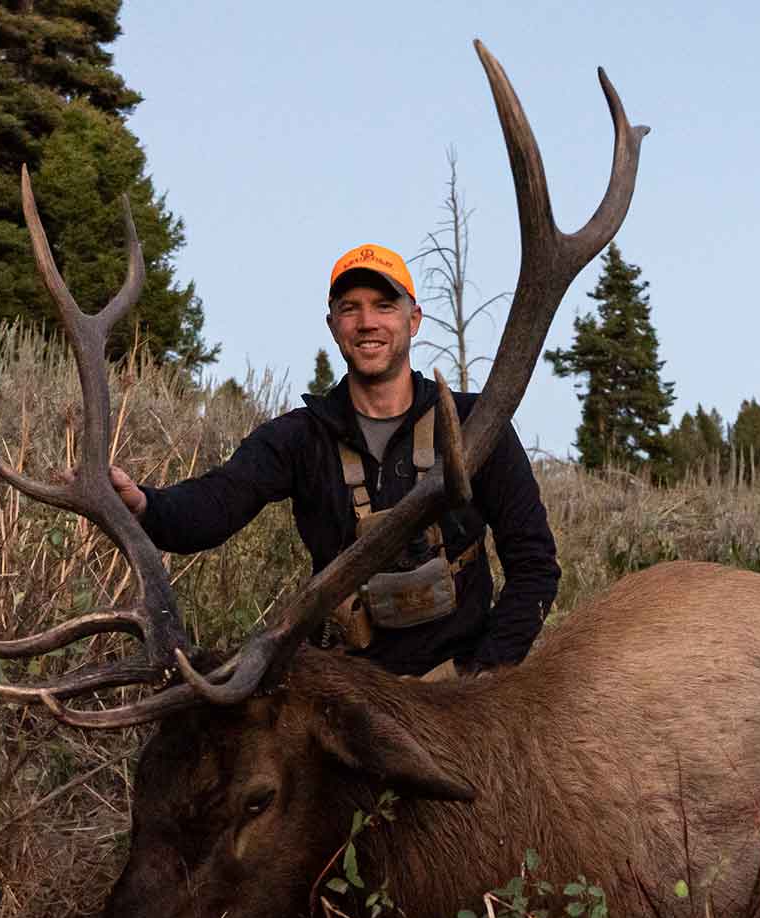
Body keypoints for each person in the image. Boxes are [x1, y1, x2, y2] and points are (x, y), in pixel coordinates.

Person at [107, 243, 560, 678]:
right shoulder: (302, 438)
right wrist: (145, 504)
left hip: (458, 693)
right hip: (344, 695)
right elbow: (214, 504)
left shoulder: (475, 424)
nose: (367, 322)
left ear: (414, 319)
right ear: (332, 324)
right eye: (350, 308)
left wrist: (485, 671)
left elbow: (534, 564)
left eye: (384, 305)